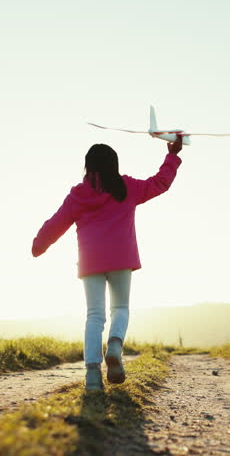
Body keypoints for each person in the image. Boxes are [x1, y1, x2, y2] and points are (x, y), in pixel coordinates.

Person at [32, 138, 182, 390]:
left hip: (90, 261)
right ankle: (114, 345)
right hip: (122, 258)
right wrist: (173, 155)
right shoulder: (127, 187)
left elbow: (55, 223)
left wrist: (39, 246)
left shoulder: (77, 196)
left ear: (87, 167)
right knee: (120, 308)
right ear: (114, 164)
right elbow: (160, 183)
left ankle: (92, 375)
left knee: (94, 315)